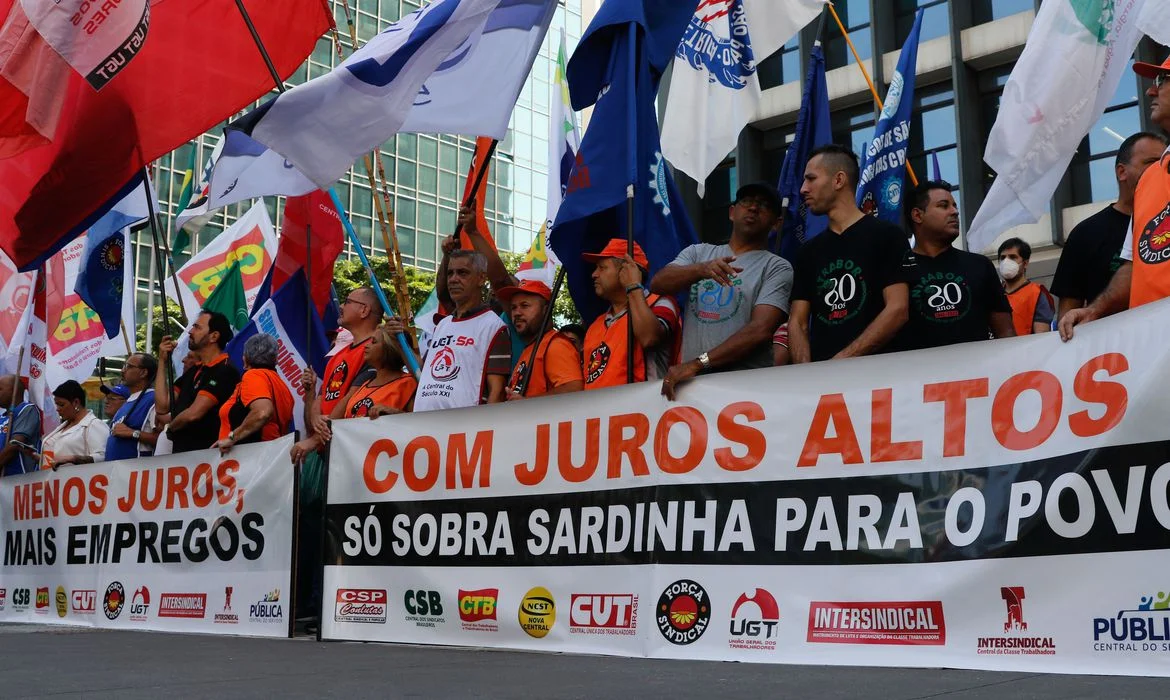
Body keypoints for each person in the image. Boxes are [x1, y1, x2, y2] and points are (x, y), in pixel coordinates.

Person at [1061, 55, 1170, 340]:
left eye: (1162, 80)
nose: (1151, 90)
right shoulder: (1149, 181)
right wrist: (1095, 310)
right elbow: (1135, 266)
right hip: (1153, 352)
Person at [651, 182, 792, 399]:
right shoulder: (699, 253)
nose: (753, 208)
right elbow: (658, 283)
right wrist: (701, 269)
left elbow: (759, 330)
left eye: (763, 205)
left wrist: (698, 364)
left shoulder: (777, 267)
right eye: (746, 202)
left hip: (747, 389)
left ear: (776, 223)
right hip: (693, 389)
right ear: (731, 212)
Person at [789, 144, 913, 362]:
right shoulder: (808, 252)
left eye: (811, 179)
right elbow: (797, 322)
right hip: (822, 387)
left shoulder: (888, 236)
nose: (803, 189)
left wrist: (843, 361)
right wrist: (806, 375)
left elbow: (898, 309)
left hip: (881, 380)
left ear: (838, 180)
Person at [1051, 132, 1168, 321]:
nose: (1159, 171)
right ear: (1122, 172)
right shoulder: (1085, 234)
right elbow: (1068, 316)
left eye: (1164, 165)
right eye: (1152, 163)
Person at [894, 181, 1015, 350]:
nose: (955, 212)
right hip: (915, 374)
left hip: (975, 374)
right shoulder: (896, 270)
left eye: (954, 206)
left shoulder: (980, 266)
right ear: (917, 215)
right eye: (944, 206)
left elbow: (1005, 333)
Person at [290, 325, 418, 463]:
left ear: (389, 349)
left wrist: (394, 414)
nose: (367, 345)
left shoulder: (409, 383)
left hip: (385, 466)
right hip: (352, 465)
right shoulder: (364, 385)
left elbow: (420, 425)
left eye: (374, 342)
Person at [414, 249, 511, 410]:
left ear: (481, 278)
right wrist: (398, 342)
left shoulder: (493, 326)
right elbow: (423, 374)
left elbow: (497, 391)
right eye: (450, 273)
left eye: (462, 273)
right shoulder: (442, 325)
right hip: (424, 428)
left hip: (464, 430)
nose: (453, 279)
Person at [292, 286, 381, 461]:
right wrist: (313, 406)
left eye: (348, 302)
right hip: (325, 452)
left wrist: (314, 440)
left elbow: (353, 398)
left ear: (364, 310)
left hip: (349, 455)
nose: (341, 306)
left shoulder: (375, 350)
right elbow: (319, 404)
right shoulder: (337, 356)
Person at [580, 239, 680, 389]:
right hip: (600, 412)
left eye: (602, 268)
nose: (594, 274)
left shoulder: (660, 303)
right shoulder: (595, 326)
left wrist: (633, 286)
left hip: (645, 409)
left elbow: (649, 337)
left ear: (626, 271)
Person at [155, 310, 241, 453]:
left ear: (214, 336)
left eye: (197, 327)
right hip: (185, 462)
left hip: (209, 460)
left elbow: (194, 414)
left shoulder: (225, 370)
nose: (190, 332)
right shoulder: (194, 371)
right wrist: (162, 361)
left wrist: (170, 427)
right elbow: (162, 406)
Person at [496, 279, 584, 399]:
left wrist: (527, 403)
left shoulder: (555, 344)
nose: (517, 313)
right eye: (513, 307)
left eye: (525, 305)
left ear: (545, 310)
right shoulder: (530, 348)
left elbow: (574, 389)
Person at [214, 335, 294, 455]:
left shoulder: (253, 376)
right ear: (276, 360)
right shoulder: (282, 386)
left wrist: (231, 438)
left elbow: (263, 412)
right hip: (271, 457)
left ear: (245, 359)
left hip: (250, 460)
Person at [40, 380, 109, 467]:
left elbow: (103, 457)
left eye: (61, 404)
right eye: (56, 405)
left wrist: (74, 459)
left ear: (76, 402)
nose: (57, 409)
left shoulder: (94, 425)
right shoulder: (63, 426)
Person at [104, 353, 160, 461]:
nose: (122, 371)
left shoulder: (153, 399)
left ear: (143, 372)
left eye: (128, 366)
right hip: (115, 472)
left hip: (137, 472)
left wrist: (132, 433)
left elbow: (164, 439)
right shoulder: (129, 400)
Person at [997, 238, 1054, 335]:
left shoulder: (1037, 293)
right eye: (1002, 258)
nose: (1006, 262)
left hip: (1024, 349)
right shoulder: (994, 293)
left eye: (1012, 257)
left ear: (1025, 263)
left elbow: (1042, 336)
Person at [0, 375, 41, 476]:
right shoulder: (2, 417)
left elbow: (15, 443)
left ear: (14, 391)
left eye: (0, 389)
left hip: (19, 480)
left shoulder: (27, 410)